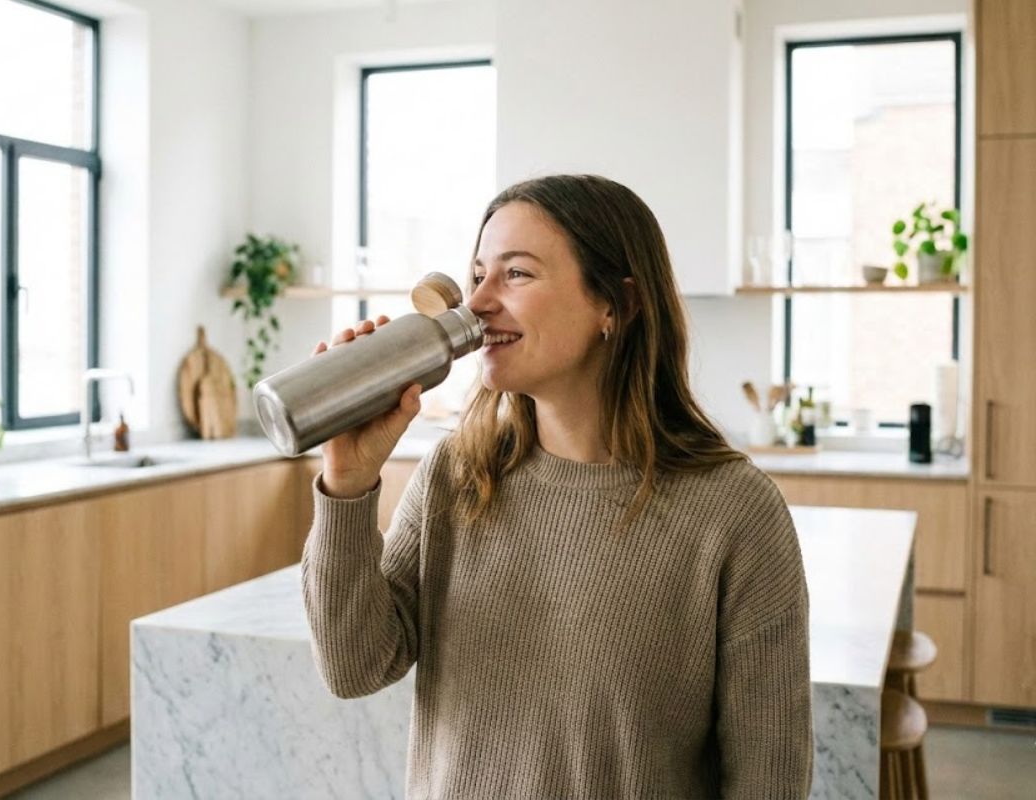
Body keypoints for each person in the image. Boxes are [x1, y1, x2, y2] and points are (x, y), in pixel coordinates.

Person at [302, 174, 812, 798]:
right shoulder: (455, 476)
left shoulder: (733, 513)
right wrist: (348, 483)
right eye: (478, 274)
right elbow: (353, 666)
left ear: (616, 304)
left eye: (516, 274)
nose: (478, 302)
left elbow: (770, 777)